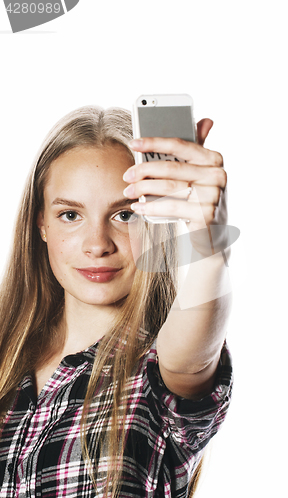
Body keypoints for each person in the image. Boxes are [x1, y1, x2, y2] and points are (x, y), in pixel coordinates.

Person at [0, 105, 233, 498]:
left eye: (125, 215)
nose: (97, 245)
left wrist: (210, 247)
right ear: (41, 223)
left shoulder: (158, 373)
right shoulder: (8, 356)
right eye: (70, 215)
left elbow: (193, 355)